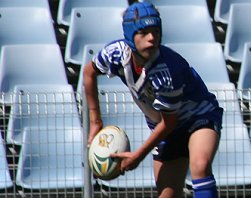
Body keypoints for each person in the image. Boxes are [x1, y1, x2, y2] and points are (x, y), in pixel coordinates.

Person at [83, 2, 223, 197]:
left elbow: (170, 122)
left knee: (200, 165)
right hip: (165, 127)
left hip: (198, 116)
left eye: (156, 31)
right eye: (144, 32)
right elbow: (88, 72)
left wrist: (138, 155)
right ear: (130, 35)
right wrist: (95, 121)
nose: (151, 38)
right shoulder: (115, 53)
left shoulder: (167, 71)